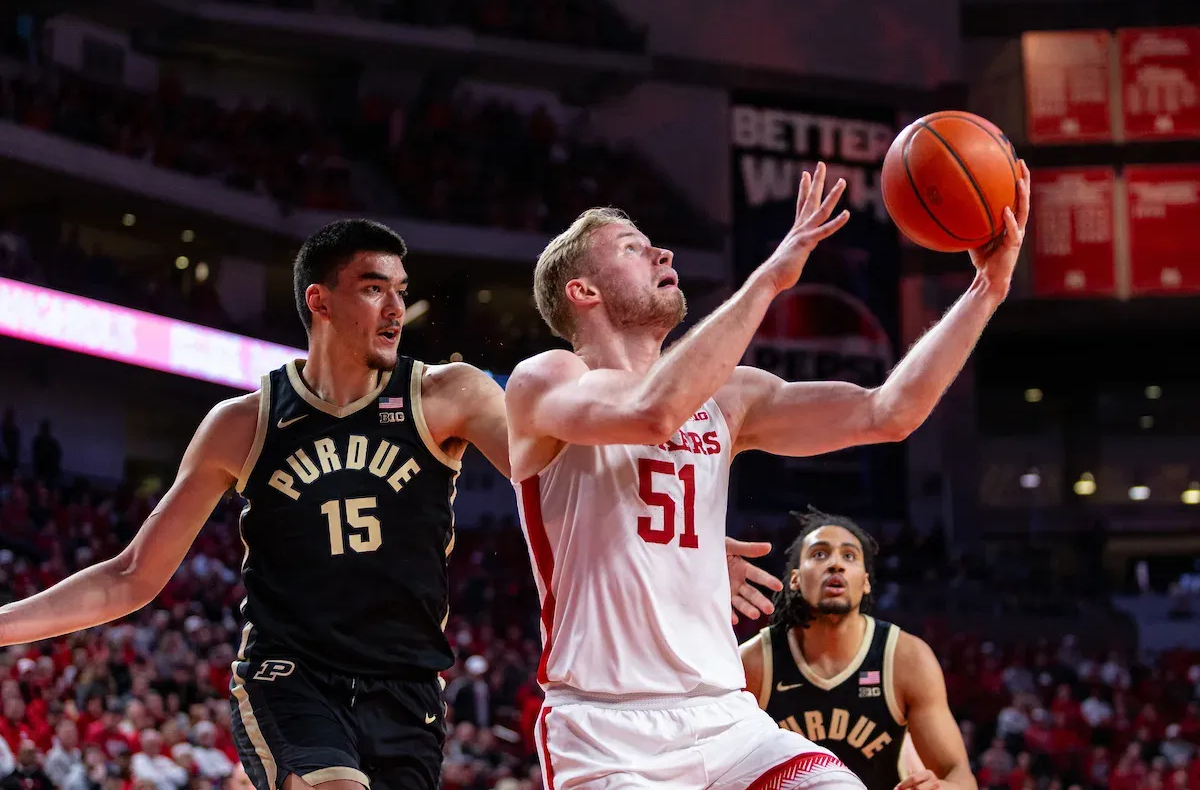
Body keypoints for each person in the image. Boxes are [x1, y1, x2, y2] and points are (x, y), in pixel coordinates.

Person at [0, 219, 777, 790]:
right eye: (374, 288)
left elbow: (562, 486)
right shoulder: (247, 421)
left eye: (401, 291)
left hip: (408, 685)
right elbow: (131, 577)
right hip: (291, 672)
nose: (396, 308)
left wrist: (684, 547)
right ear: (322, 301)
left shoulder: (448, 394)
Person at [506, 160, 1029, 789]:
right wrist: (770, 279)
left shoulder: (730, 398)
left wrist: (986, 290)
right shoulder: (550, 378)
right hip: (607, 728)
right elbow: (651, 412)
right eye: (632, 248)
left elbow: (887, 412)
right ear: (583, 291)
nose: (660, 251)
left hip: (727, 719)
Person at [740, 509, 975, 790]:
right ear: (796, 580)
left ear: (865, 582)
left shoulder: (905, 658)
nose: (835, 564)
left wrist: (941, 788)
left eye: (849, 556)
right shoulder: (754, 663)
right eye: (819, 554)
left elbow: (960, 776)